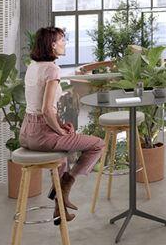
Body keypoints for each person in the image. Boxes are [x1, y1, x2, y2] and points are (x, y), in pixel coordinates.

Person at [19, 27, 103, 220]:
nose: (65, 43)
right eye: (62, 40)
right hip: (42, 135)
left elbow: (38, 108)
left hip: (26, 133)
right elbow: (46, 110)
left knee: (62, 158)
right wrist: (59, 130)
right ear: (52, 45)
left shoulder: (33, 66)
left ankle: (60, 208)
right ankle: (67, 183)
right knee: (97, 144)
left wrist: (59, 126)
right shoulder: (52, 69)